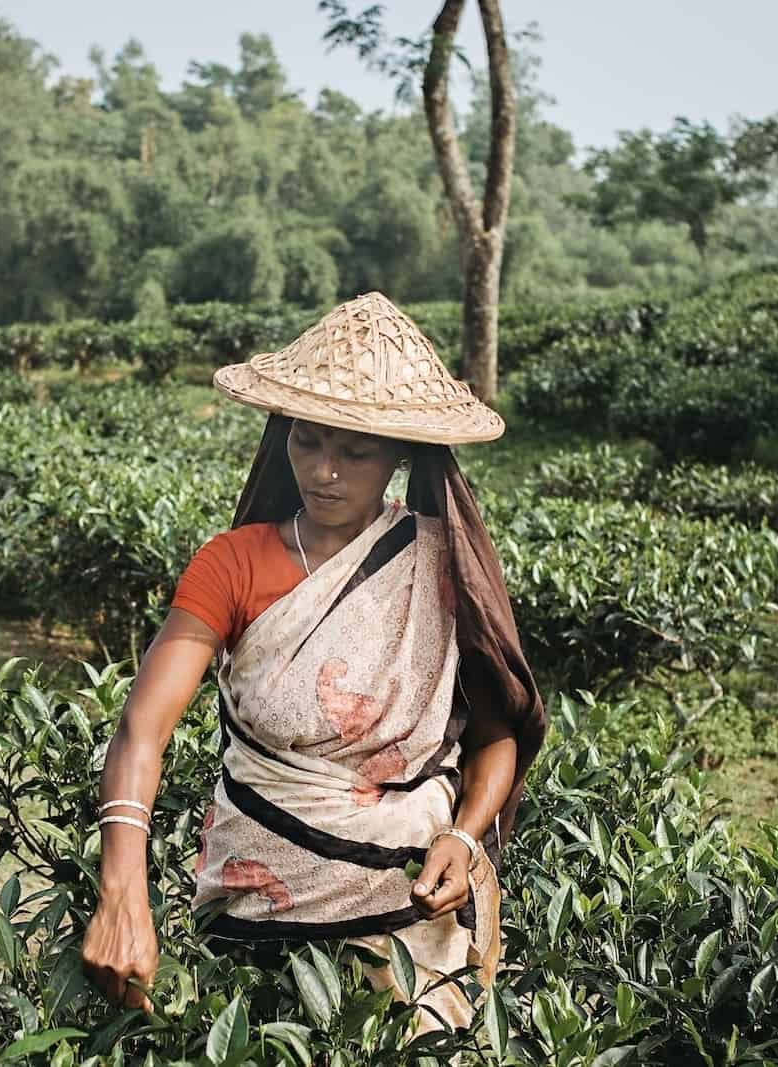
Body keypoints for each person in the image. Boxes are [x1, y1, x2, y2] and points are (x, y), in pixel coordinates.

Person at [81, 292, 543, 1031]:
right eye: (306, 441)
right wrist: (122, 888)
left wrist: (462, 835)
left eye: (354, 450)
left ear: (401, 452)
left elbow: (496, 736)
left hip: (405, 922)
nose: (324, 471)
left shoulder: (440, 569)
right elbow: (142, 730)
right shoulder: (233, 564)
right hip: (249, 911)